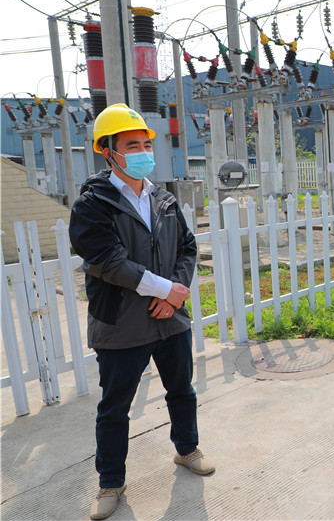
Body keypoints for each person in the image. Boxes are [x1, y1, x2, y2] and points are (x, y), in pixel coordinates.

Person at [69, 104, 214, 520]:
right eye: (132, 145)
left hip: (170, 319)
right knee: (115, 408)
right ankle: (110, 482)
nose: (143, 152)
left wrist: (173, 296)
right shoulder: (92, 204)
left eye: (146, 145)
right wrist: (166, 289)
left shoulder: (163, 197)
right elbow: (108, 262)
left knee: (181, 390)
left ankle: (187, 449)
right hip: (121, 322)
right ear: (108, 151)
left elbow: (186, 248)